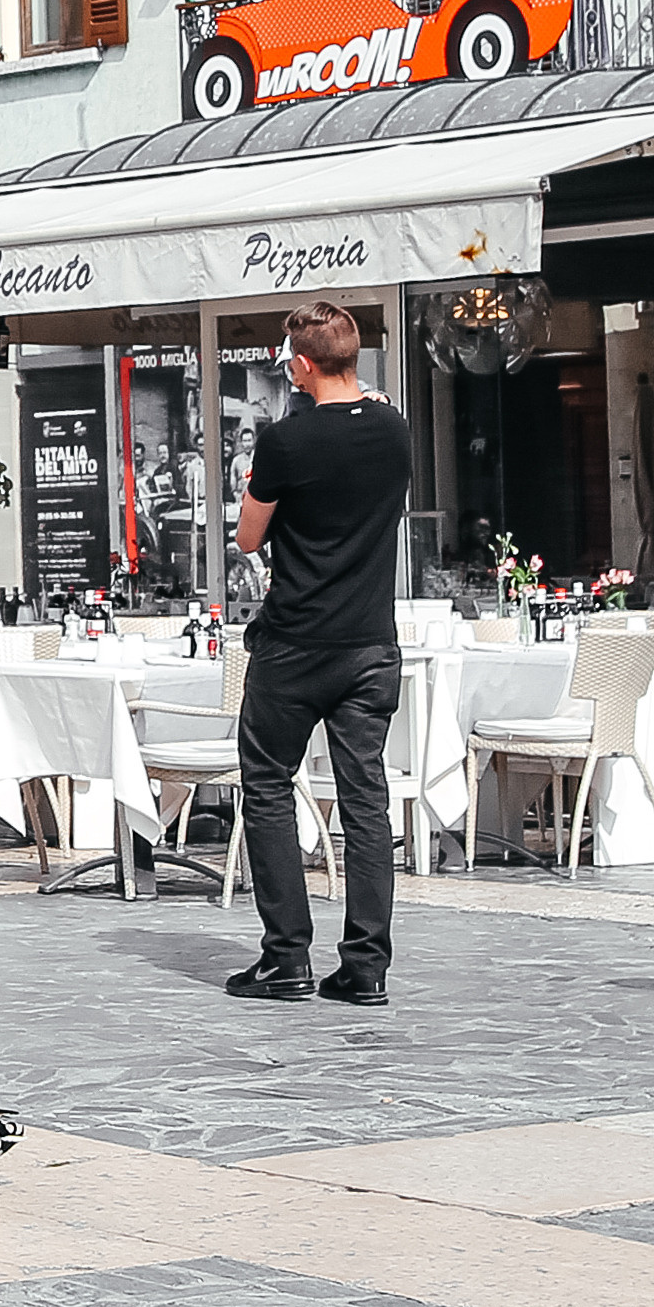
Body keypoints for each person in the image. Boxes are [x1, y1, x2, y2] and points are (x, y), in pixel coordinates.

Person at [227, 298, 413, 1009]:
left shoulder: (284, 441)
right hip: (370, 641)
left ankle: (287, 959)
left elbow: (248, 538)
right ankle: (366, 965)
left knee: (269, 785)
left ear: (301, 364)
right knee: (365, 798)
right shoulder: (396, 430)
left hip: (297, 641)